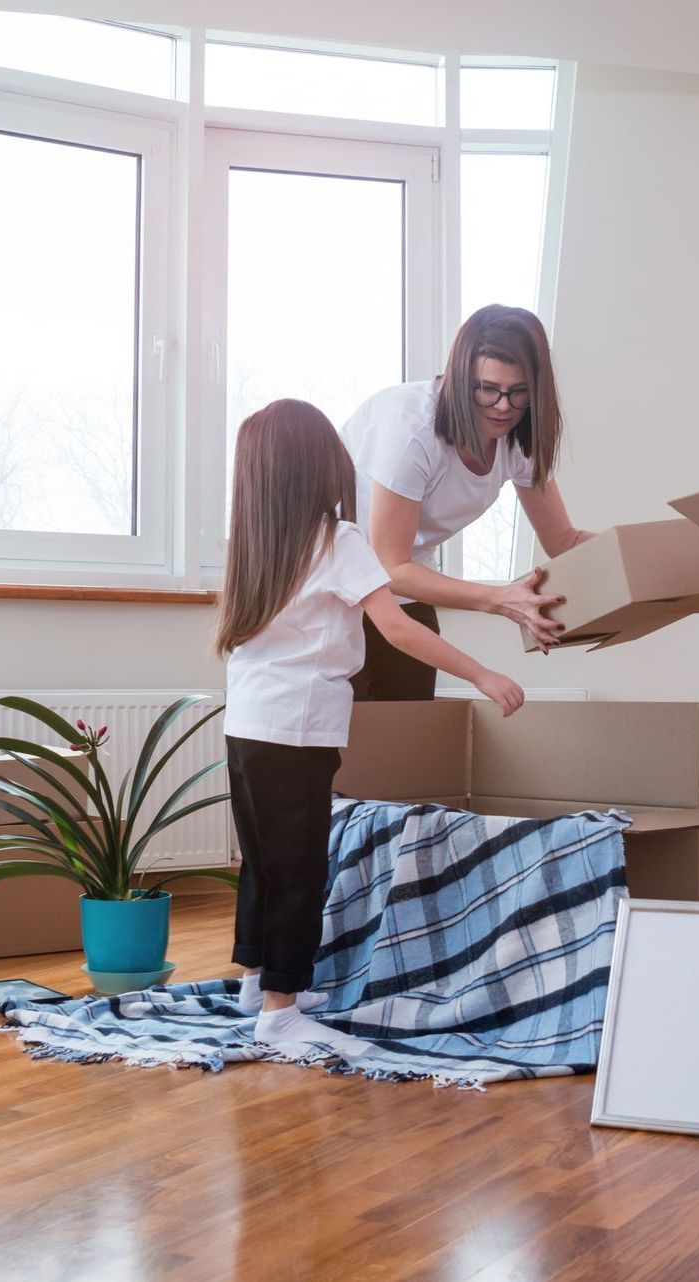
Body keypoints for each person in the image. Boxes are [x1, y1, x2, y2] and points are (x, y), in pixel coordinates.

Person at [215, 399, 524, 1054]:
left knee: (263, 860)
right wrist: (481, 673)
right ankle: (280, 1011)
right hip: (300, 730)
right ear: (323, 467)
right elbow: (398, 626)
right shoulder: (338, 541)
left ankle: (255, 979)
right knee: (299, 868)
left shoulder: (255, 544)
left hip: (246, 723)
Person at [340, 304, 594, 700]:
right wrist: (498, 599)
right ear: (460, 378)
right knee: (350, 741)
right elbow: (389, 565)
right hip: (340, 584)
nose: (504, 406)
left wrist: (640, 555)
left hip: (406, 580)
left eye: (520, 391)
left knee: (410, 732)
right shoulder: (409, 431)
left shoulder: (518, 439)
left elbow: (563, 539)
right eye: (488, 389)